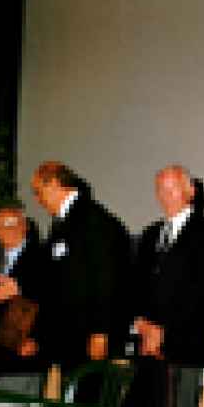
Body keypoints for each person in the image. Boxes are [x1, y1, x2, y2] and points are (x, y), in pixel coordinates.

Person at [127, 165, 204, 407]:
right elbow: (136, 286)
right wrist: (142, 324)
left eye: (172, 188)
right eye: (160, 189)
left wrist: (165, 334)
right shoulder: (150, 234)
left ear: (190, 191)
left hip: (185, 348)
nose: (165, 195)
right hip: (146, 349)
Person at [31, 162, 132, 391]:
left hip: (89, 338)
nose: (37, 199)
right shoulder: (62, 222)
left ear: (54, 184)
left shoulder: (94, 220)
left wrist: (100, 331)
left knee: (88, 400)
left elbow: (107, 279)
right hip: (69, 338)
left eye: (38, 191)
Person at [0, 206, 44, 396]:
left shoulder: (43, 257)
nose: (6, 229)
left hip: (26, 350)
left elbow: (53, 299)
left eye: (12, 223)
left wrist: (38, 339)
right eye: (0, 225)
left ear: (25, 226)